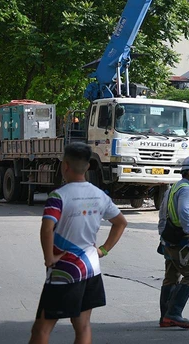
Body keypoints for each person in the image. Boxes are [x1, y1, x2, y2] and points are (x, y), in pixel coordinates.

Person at [29, 142, 128, 344]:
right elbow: (120, 222)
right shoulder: (100, 195)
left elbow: (47, 228)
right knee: (82, 326)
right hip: (91, 268)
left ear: (65, 165)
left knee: (42, 329)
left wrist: (49, 258)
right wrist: (103, 250)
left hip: (64, 270)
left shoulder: (59, 196)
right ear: (88, 166)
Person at [157, 155, 189, 329]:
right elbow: (185, 211)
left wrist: (163, 235)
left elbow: (162, 213)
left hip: (168, 238)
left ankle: (165, 316)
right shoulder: (186, 189)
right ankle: (173, 313)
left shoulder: (174, 187)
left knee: (171, 277)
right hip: (180, 239)